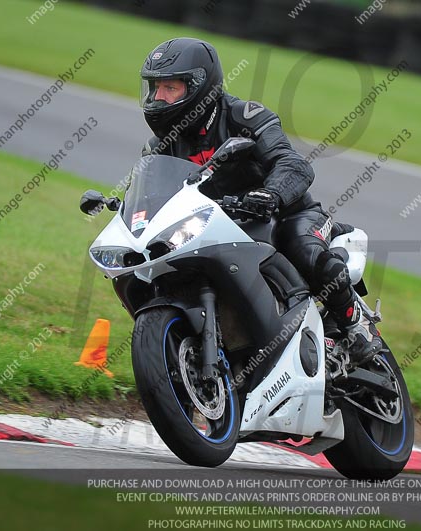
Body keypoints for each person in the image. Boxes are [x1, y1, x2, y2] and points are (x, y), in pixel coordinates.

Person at [139, 37, 381, 363]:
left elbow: (292, 163)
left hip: (285, 215)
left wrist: (271, 194)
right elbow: (151, 197)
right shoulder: (160, 146)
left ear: (198, 85)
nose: (159, 97)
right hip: (215, 230)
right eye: (155, 88)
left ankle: (356, 325)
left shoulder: (244, 115)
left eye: (170, 88)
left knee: (304, 248)